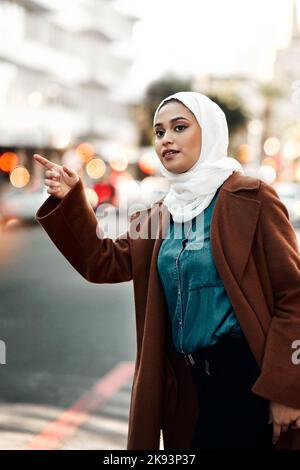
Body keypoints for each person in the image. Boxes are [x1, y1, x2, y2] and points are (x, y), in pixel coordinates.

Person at [33, 91, 300, 450]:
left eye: (179, 127)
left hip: (245, 381)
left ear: (209, 133)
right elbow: (104, 261)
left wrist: (286, 388)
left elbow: (293, 297)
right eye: (159, 132)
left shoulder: (251, 198)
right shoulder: (160, 214)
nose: (166, 139)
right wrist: (72, 199)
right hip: (186, 383)